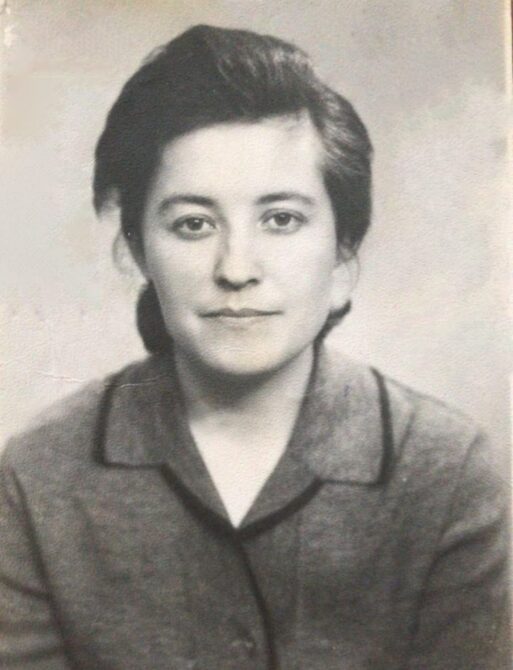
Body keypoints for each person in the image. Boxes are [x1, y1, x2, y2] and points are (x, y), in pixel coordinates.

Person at [0, 24, 509, 670]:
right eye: (193, 224)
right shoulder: (40, 473)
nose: (236, 268)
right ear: (137, 251)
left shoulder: (445, 471)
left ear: (342, 251)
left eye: (281, 219)